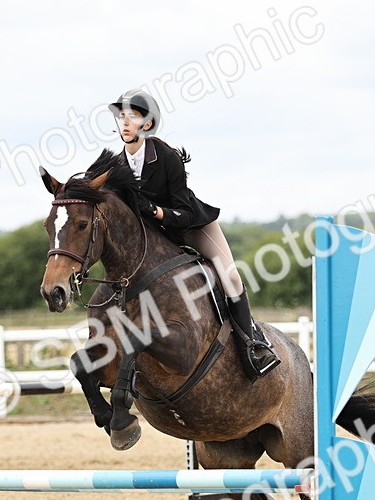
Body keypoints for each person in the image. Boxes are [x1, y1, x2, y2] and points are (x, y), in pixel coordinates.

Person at [108, 88, 280, 381]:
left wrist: (154, 211)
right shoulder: (118, 165)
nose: (125, 122)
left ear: (146, 124)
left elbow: (184, 212)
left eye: (132, 116)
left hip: (190, 227)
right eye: (121, 116)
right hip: (156, 241)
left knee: (231, 276)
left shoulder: (165, 157)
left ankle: (253, 343)